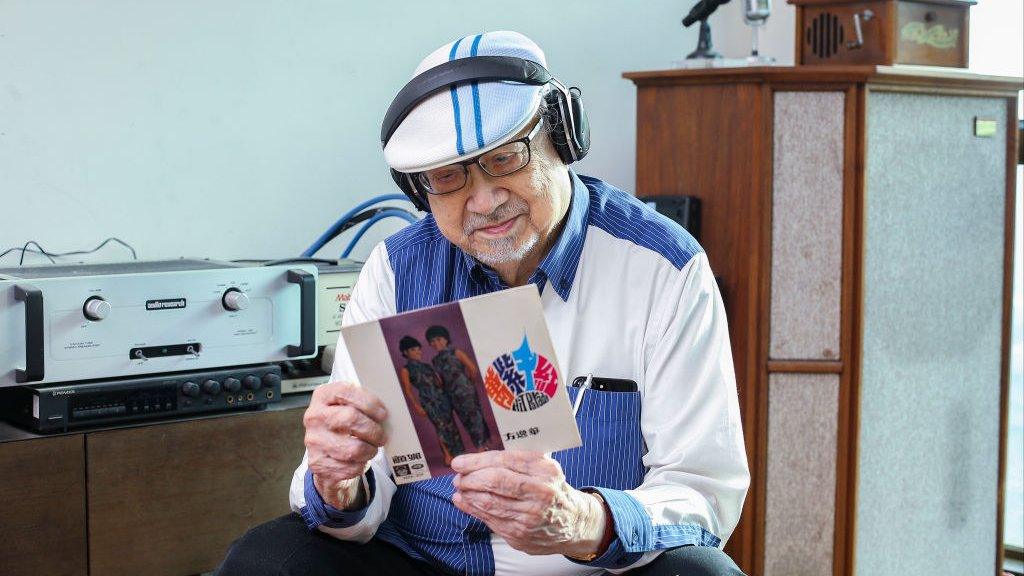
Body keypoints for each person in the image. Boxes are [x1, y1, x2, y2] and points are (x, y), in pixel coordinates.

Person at [217, 30, 748, 576]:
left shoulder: (664, 268)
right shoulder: (395, 270)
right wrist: (338, 481)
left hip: (590, 568)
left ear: (562, 139)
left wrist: (585, 521)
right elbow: (355, 501)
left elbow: (704, 489)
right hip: (423, 562)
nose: (485, 201)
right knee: (266, 560)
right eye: (449, 177)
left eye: (505, 159)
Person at [397, 335, 464, 465]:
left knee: (451, 425)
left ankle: (458, 453)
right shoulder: (406, 370)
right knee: (440, 427)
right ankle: (448, 455)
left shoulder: (427, 366)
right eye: (413, 349)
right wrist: (416, 406)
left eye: (418, 349)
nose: (417, 352)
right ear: (405, 352)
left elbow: (438, 382)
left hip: (442, 398)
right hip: (428, 402)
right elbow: (408, 390)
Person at [425, 325, 492, 450]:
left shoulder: (456, 352)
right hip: (451, 395)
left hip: (466, 391)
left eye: (439, 339)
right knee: (465, 420)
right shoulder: (435, 360)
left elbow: (472, 369)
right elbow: (441, 380)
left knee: (475, 416)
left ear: (446, 339)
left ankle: (481, 446)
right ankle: (483, 443)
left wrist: (467, 384)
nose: (436, 343)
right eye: (432, 341)